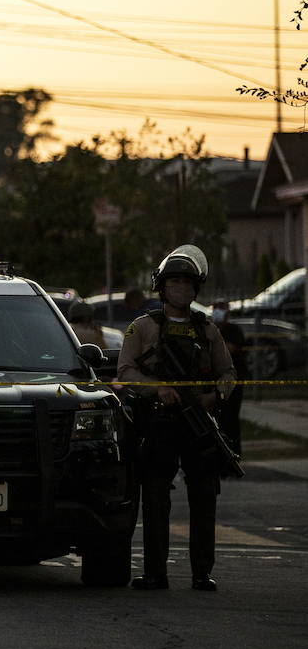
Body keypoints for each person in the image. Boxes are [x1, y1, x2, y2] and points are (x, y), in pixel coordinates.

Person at [117, 245, 235, 592]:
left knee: (203, 495)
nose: (181, 288)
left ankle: (202, 572)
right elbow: (125, 372)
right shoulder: (143, 327)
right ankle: (156, 573)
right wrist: (158, 389)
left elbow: (227, 373)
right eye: (175, 282)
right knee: (155, 496)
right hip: (160, 422)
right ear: (162, 287)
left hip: (198, 422)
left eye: (187, 282)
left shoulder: (208, 330)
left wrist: (215, 397)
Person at [211, 300, 246, 456]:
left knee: (231, 419)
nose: (218, 312)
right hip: (214, 382)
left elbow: (229, 350)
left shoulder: (233, 330)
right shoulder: (210, 329)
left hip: (233, 382)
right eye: (215, 309)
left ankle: (233, 453)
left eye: (221, 309)